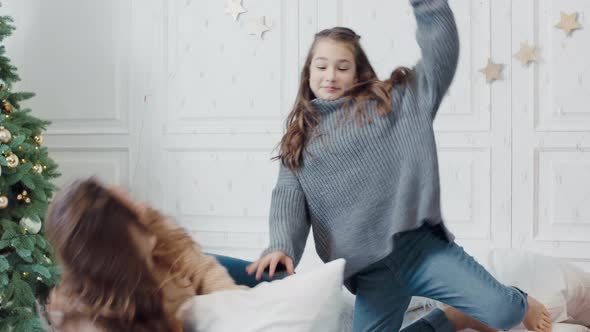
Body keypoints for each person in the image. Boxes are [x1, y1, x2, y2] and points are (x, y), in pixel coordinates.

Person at [227, 0, 552, 331]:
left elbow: (440, 54)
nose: (330, 76)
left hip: (421, 250)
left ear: (358, 72)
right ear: (308, 72)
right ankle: (449, 319)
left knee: (503, 313)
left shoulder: (393, 103)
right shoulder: (299, 142)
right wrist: (281, 246)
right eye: (321, 66)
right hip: (370, 274)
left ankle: (518, 300)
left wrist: (428, 5)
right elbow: (287, 200)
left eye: (342, 67)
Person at [44, 178, 239, 332]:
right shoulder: (86, 315)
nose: (143, 206)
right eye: (131, 210)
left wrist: (233, 309)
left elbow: (203, 268)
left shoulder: (156, 228)